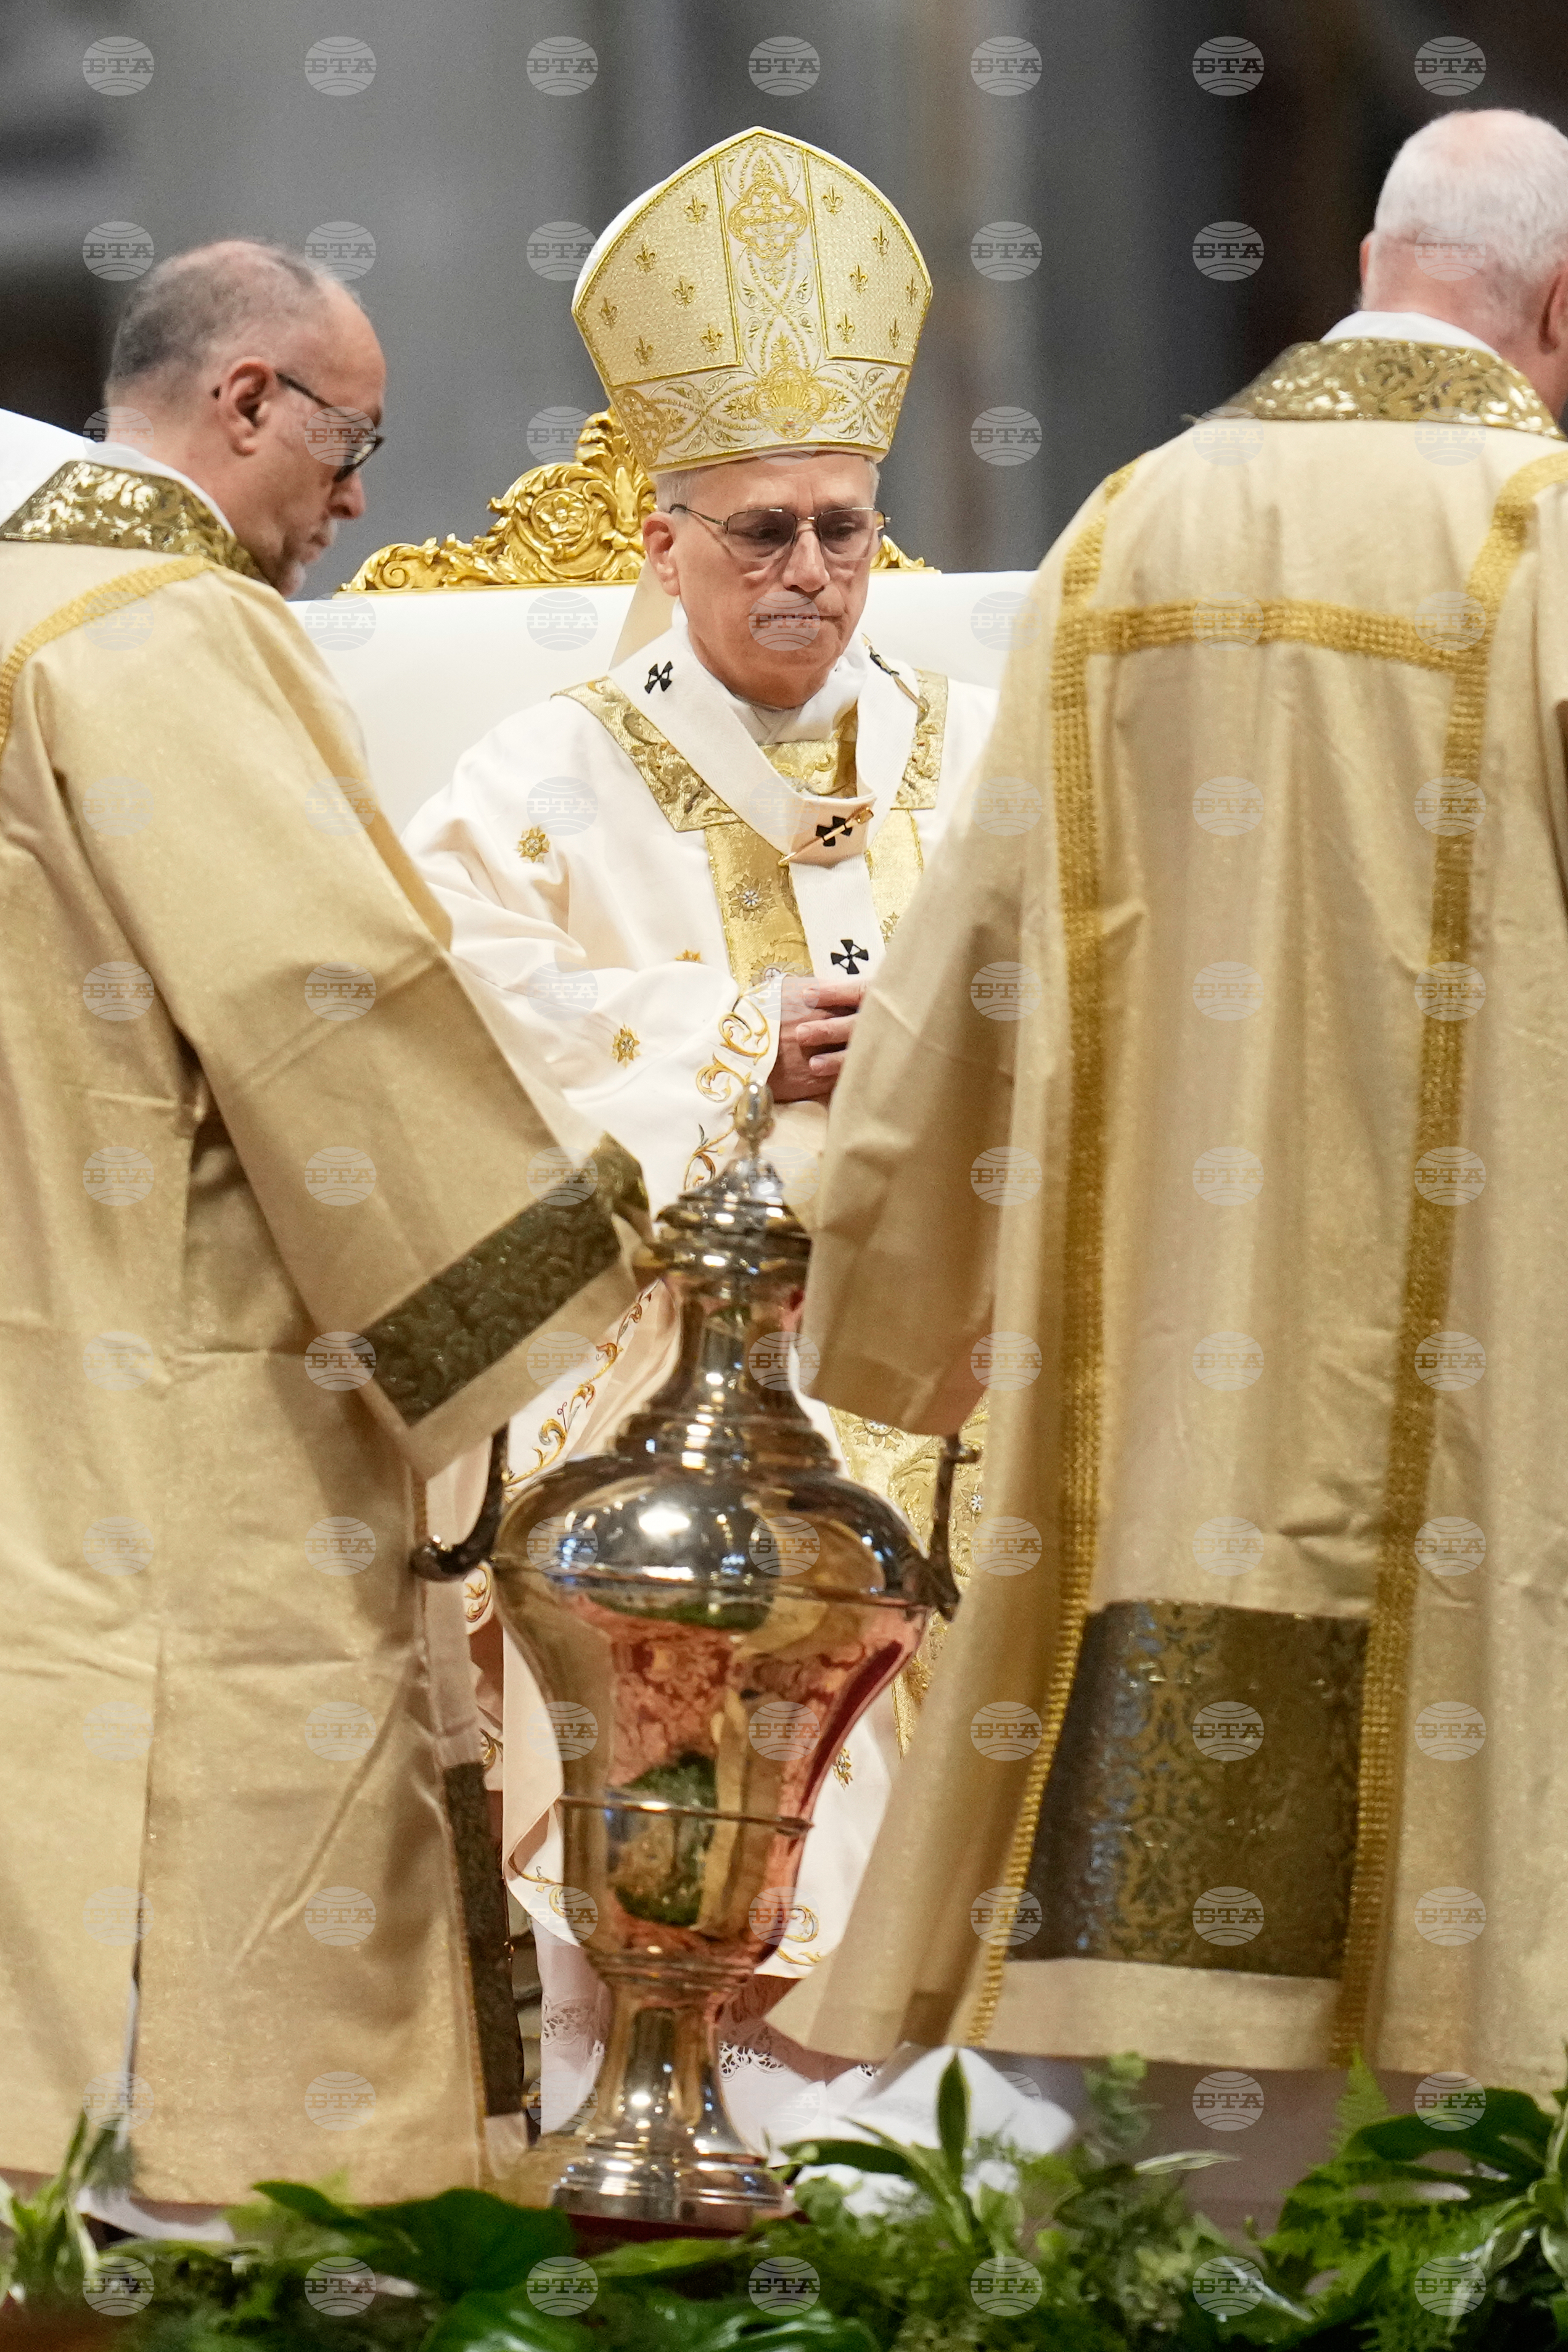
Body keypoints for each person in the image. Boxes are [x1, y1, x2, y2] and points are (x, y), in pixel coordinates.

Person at [779, 107, 1568, 2222]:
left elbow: (975, 949)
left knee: (1140, 2065)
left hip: (1168, 1401)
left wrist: (893, 1304)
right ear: (1561, 309)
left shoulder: (1131, 530)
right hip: (1490, 1383)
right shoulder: (1543, 534)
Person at [0, 241, 643, 2215]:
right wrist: (570, 1244)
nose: (357, 501)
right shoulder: (157, 627)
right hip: (182, 1366)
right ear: (249, 401)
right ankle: (197, 2215)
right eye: (351, 444)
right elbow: (313, 997)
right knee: (204, 1792)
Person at [403, 130, 1000, 2145]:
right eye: (763, 533)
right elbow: (464, 1074)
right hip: (672, 1338)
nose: (814, 574)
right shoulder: (539, 776)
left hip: (957, 1331)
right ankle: (677, 2074)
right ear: (661, 540)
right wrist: (749, 1052)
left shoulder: (969, 751)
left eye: (844, 526)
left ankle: (944, 2119)